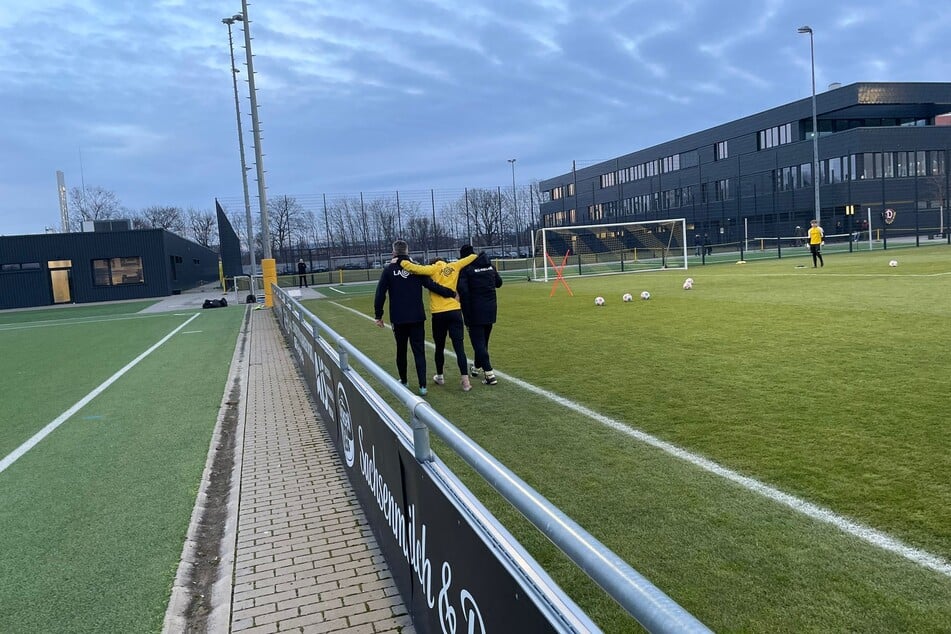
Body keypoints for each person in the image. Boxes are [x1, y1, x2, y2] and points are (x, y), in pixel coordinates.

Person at [374, 240, 454, 396]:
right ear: (407, 251)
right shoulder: (417, 269)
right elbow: (432, 285)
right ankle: (422, 386)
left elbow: (380, 293)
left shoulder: (389, 269)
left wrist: (378, 315)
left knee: (401, 350)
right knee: (419, 351)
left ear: (394, 253)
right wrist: (451, 293)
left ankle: (404, 381)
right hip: (417, 317)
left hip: (399, 318)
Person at [400, 251, 478, 391]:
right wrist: (477, 255)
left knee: (439, 347)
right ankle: (466, 382)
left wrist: (402, 262)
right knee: (459, 347)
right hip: (455, 311)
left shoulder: (432, 269)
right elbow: (471, 258)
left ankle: (440, 376)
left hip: (439, 313)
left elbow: (415, 268)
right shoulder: (455, 266)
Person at [457, 245, 503, 386]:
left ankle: (489, 374)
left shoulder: (466, 270)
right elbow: (499, 283)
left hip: (474, 311)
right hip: (490, 309)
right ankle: (477, 367)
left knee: (478, 343)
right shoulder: (489, 267)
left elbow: (463, 291)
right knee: (483, 342)